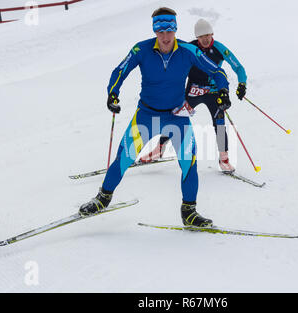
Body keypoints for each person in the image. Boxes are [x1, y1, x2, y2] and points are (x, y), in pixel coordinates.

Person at [78, 8, 231, 227]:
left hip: (177, 117)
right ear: (155, 31)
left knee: (189, 164)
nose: (166, 36)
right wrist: (113, 93)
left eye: (169, 30)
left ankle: (189, 212)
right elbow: (119, 71)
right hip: (146, 116)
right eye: (160, 31)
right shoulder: (142, 49)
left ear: (176, 29)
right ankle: (103, 199)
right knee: (123, 159)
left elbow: (217, 71)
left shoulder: (188, 51)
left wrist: (223, 91)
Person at [140, 18, 247, 173]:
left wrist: (242, 84)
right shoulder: (189, 47)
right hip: (193, 91)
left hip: (214, 92)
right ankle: (160, 149)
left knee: (219, 123)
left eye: (208, 35)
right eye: (201, 36)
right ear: (197, 37)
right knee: (174, 117)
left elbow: (238, 67)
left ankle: (224, 158)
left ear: (212, 33)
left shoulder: (219, 48)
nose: (205, 39)